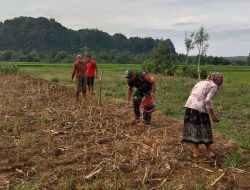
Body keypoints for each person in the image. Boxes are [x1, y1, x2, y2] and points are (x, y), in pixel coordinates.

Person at [182, 72, 224, 158]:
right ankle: (208, 151)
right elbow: (208, 101)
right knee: (205, 128)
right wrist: (213, 114)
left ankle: (196, 152)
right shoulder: (213, 86)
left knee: (193, 127)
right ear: (218, 81)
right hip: (199, 108)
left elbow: (192, 93)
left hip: (189, 106)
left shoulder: (200, 82)